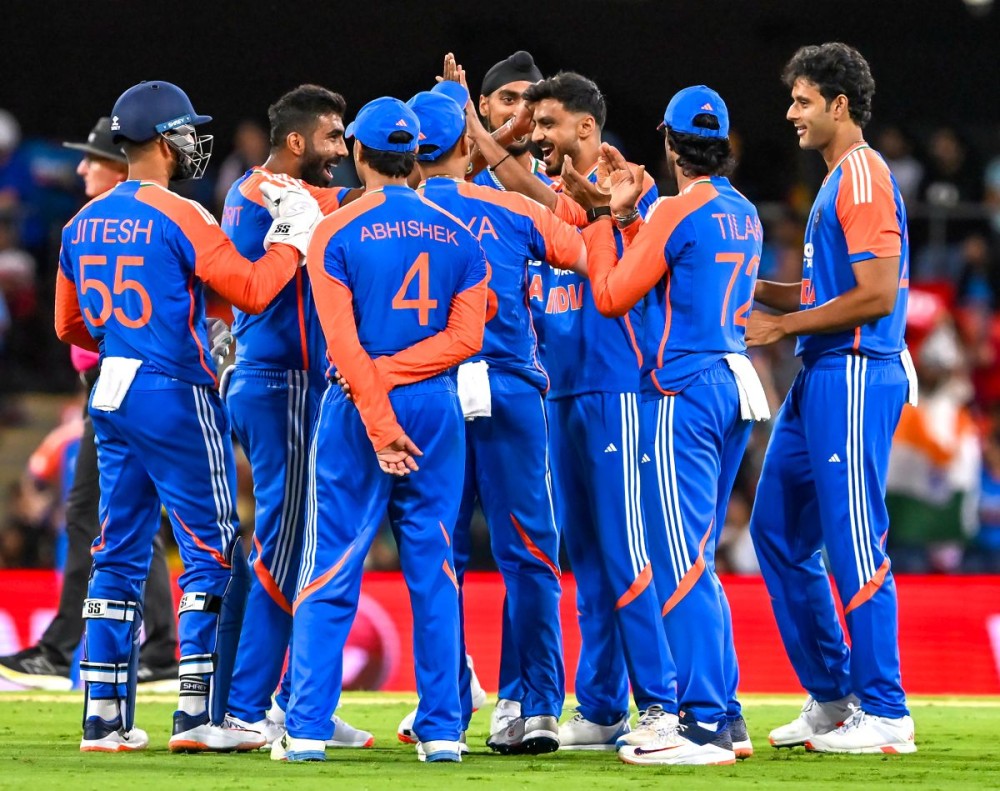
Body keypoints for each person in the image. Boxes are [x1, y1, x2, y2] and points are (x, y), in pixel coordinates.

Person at [54, 79, 319, 753]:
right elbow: (256, 290)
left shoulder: (77, 225)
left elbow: (68, 326)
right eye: (185, 131)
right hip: (173, 389)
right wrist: (291, 233)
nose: (193, 142)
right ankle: (200, 717)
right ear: (163, 140)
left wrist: (127, 337)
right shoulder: (185, 216)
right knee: (210, 547)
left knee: (116, 550)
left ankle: (103, 721)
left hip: (111, 390)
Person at [271, 97, 487, 764]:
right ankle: (444, 729)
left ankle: (306, 727)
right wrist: (402, 378)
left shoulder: (334, 232)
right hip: (437, 409)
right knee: (434, 570)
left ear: (360, 152)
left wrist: (380, 409)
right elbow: (466, 337)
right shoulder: (460, 235)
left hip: (359, 408)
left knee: (333, 561)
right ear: (416, 157)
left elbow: (341, 346)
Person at [572, 85, 768, 766]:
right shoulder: (744, 213)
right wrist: (633, 221)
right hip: (734, 381)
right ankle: (729, 714)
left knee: (681, 561)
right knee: (700, 556)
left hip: (681, 390)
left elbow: (610, 294)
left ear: (667, 139)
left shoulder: (679, 210)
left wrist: (602, 218)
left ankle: (704, 723)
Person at [405, 86, 590, 755]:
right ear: (463, 145)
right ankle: (537, 704)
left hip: (426, 393)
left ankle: (446, 703)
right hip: (511, 388)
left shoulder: (382, 217)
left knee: (437, 554)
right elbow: (586, 250)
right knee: (532, 552)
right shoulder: (509, 209)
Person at [745, 42, 918, 754]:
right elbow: (828, 291)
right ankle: (835, 695)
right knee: (776, 531)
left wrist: (783, 323)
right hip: (822, 374)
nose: (791, 112)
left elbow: (875, 295)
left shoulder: (864, 179)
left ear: (838, 105)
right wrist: (748, 290)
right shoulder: (837, 180)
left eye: (802, 100)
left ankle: (886, 712)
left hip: (851, 372)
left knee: (854, 540)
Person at [0, 117, 178, 691]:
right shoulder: (145, 222)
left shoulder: (99, 227)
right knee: (106, 514)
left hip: (125, 381)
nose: (80, 168)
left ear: (122, 166)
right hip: (116, 384)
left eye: (92, 158)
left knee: (108, 515)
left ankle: (117, 650)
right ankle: (140, 650)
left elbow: (72, 325)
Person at [219, 84, 371, 749]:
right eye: (335, 136)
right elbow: (360, 207)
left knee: (302, 545)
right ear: (297, 142)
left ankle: (290, 698)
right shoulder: (259, 196)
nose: (342, 149)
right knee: (282, 549)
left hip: (298, 383)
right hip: (277, 381)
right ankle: (247, 708)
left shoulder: (293, 196)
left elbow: (353, 206)